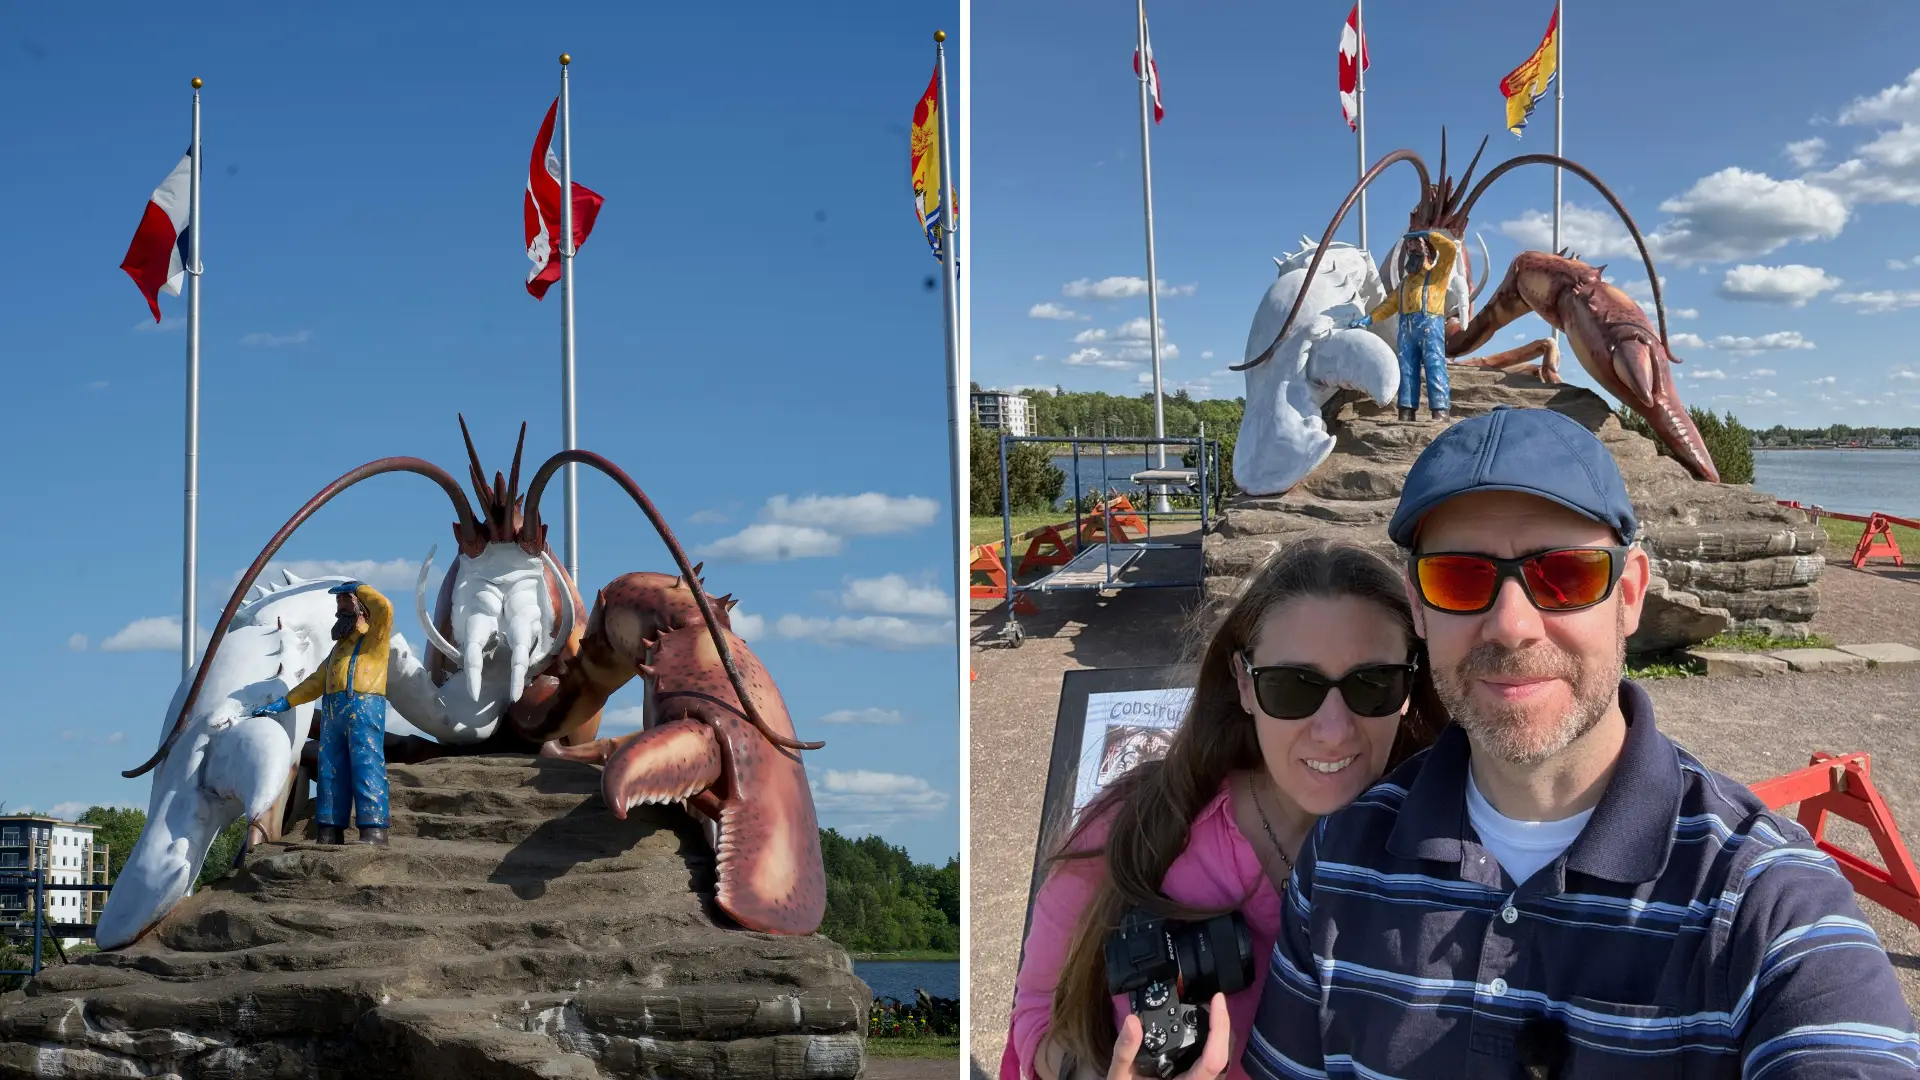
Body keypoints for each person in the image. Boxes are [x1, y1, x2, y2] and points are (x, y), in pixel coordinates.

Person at [1243, 405, 1920, 1079]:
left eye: (1564, 575)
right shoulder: (1338, 865)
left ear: (1628, 596)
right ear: (1419, 609)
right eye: (1460, 578)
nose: (1511, 626)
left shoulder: (1764, 901)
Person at [1005, 538, 1448, 1080]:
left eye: (1373, 683)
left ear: (1410, 685)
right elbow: (1038, 1018)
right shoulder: (1135, 826)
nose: (1333, 731)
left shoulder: (1456, 851)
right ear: (1243, 682)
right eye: (1291, 687)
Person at [252, 580, 395, 846]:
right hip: (333, 711)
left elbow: (385, 608)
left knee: (367, 766)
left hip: (364, 708)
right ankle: (329, 829)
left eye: (345, 605)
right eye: (338, 607)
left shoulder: (375, 639)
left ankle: (374, 829)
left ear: (361, 609)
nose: (339, 612)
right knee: (330, 769)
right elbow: (316, 682)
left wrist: (360, 588)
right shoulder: (337, 650)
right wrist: (285, 702)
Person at [1349, 228, 1460, 423]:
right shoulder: (1405, 283)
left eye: (1415, 246)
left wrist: (1430, 235)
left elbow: (1450, 249)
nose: (1410, 250)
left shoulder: (1437, 275)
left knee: (1435, 366)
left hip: (1430, 326)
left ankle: (1440, 411)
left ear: (1426, 251)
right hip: (1406, 329)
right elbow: (1389, 305)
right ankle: (1406, 411)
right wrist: (1369, 319)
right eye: (1409, 248)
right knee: (1406, 369)